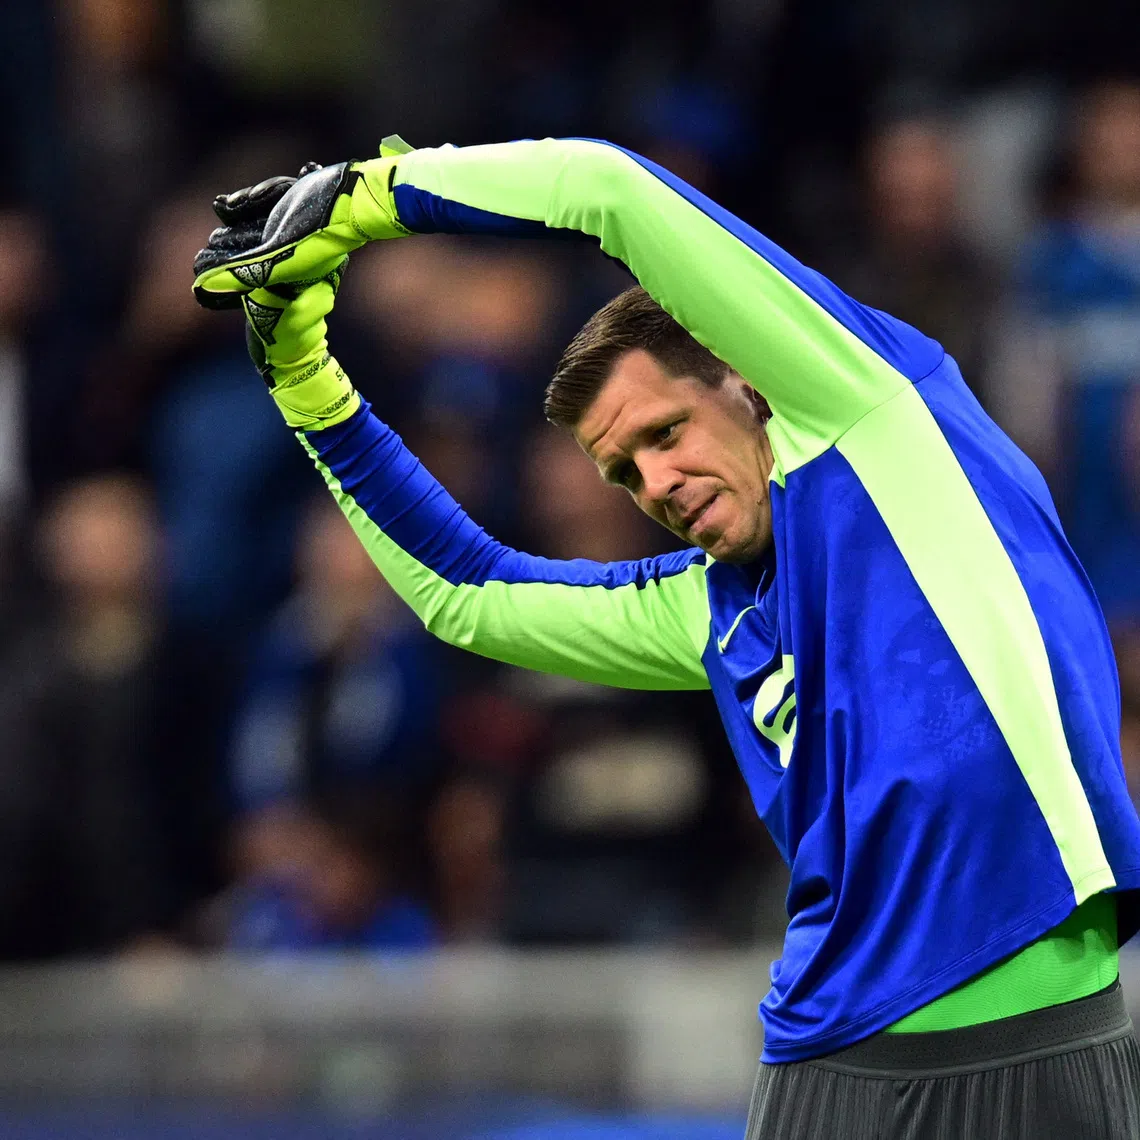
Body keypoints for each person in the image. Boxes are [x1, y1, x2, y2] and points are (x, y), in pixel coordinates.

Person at [191, 137, 1140, 1138]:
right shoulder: (706, 608)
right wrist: (304, 378)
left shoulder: (877, 415)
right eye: (623, 474)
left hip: (1053, 1040)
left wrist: (360, 199)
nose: (655, 484)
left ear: (746, 380)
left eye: (665, 433)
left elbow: (606, 188)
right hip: (837, 1071)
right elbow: (464, 593)